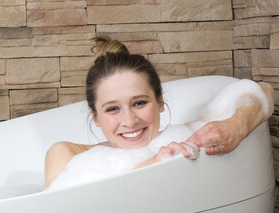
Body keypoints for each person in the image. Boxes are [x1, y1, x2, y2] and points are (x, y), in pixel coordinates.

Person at [44, 36, 274, 189]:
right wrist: (152, 164)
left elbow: (263, 90)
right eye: (113, 109)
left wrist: (237, 126)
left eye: (139, 103)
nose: (129, 120)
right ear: (95, 116)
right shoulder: (67, 155)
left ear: (160, 101)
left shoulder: (187, 138)